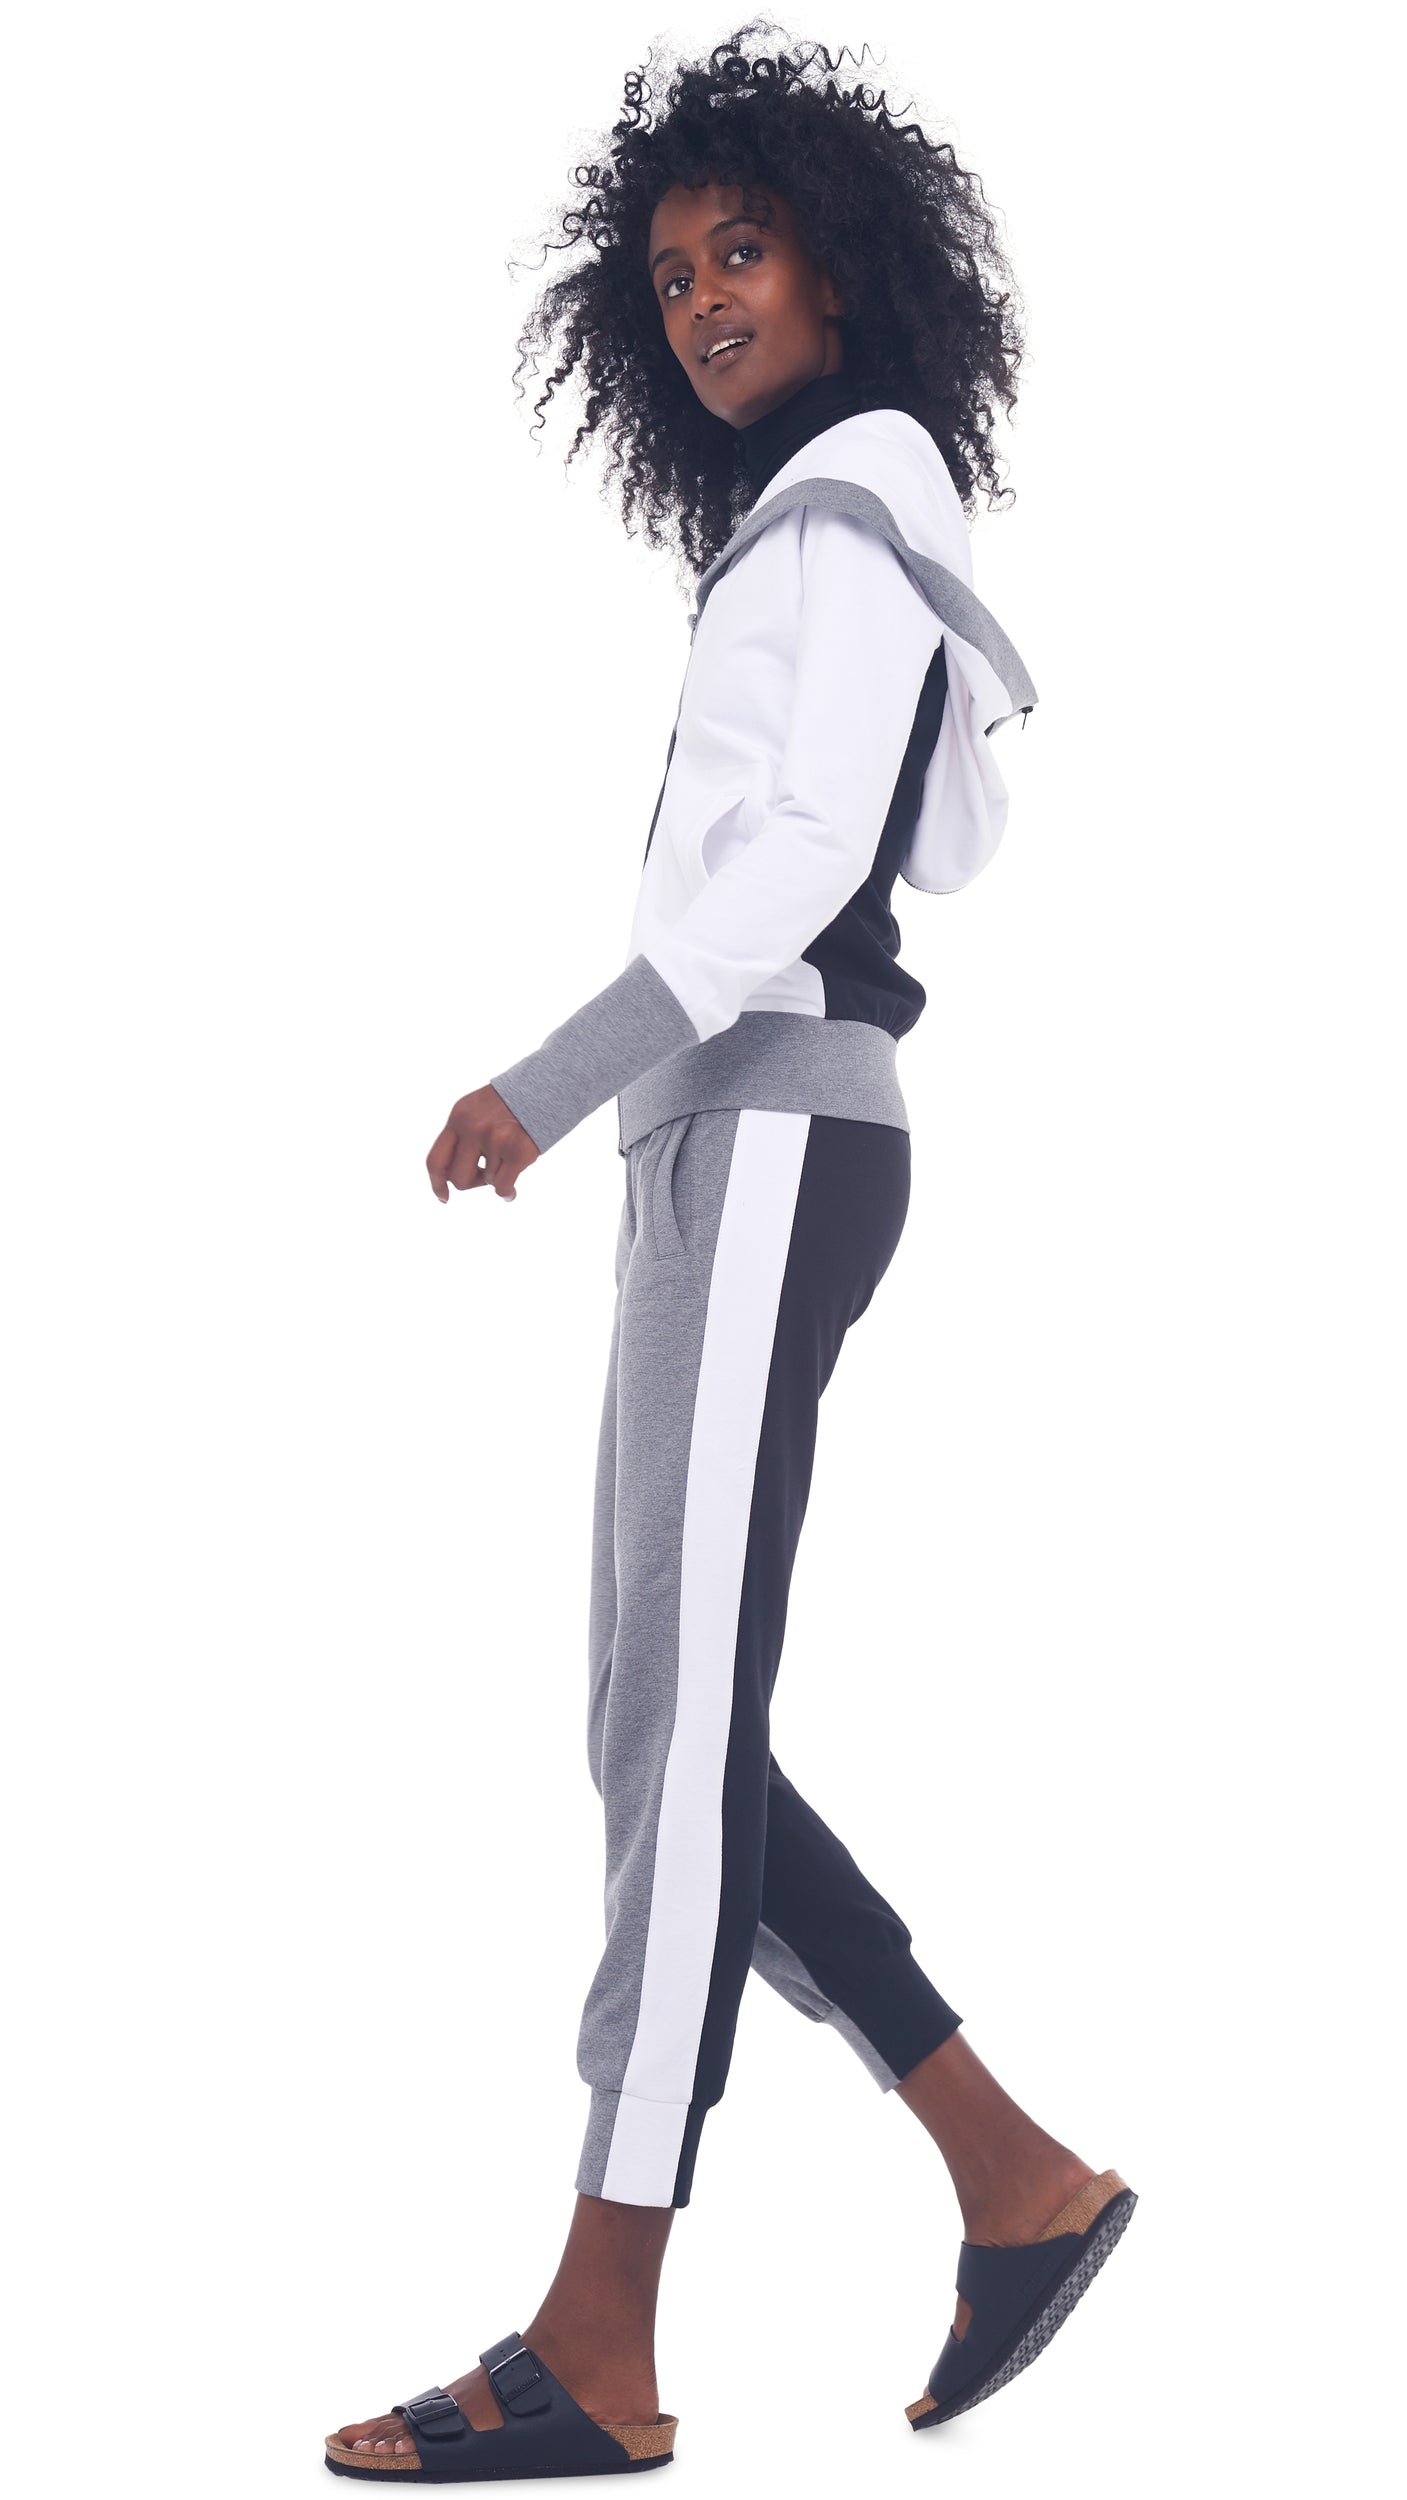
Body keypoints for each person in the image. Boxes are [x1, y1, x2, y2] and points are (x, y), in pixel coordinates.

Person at [325, 26, 1135, 2484]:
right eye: (670, 273)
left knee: (666, 1744)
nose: (698, 299)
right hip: (735, 1139)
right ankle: (1009, 2169)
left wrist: (545, 1076)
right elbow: (939, 832)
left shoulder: (850, 498)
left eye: (740, 251)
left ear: (843, 266)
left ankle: (600, 2327)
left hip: (760, 1125)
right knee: (655, 1730)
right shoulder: (822, 514)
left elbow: (799, 868)